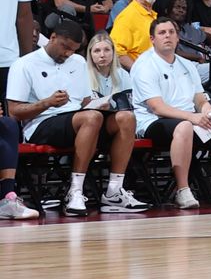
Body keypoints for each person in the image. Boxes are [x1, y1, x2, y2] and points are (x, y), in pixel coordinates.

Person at [6, 19, 147, 215]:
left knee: (126, 118)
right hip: (42, 122)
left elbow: (85, 102)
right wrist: (46, 102)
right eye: (65, 47)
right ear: (52, 37)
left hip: (79, 119)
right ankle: (75, 191)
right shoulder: (24, 64)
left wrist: (101, 105)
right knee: (91, 118)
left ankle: (114, 191)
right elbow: (14, 111)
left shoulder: (78, 61)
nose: (67, 54)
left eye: (73, 50)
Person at [132, 17, 211, 208]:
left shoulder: (186, 65)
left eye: (171, 32)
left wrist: (206, 110)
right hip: (154, 122)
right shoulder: (144, 65)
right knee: (184, 127)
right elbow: (157, 107)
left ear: (177, 38)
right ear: (152, 39)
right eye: (162, 33)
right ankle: (183, 191)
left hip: (190, 119)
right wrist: (193, 117)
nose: (167, 36)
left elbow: (199, 97)